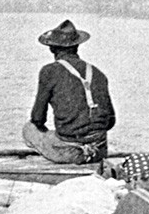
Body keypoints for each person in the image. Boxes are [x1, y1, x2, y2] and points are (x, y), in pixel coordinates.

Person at [23, 19, 116, 164]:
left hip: (70, 152)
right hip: (99, 150)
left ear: (52, 48)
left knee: (29, 129)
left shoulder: (49, 71)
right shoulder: (98, 73)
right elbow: (110, 121)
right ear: (77, 46)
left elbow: (37, 119)